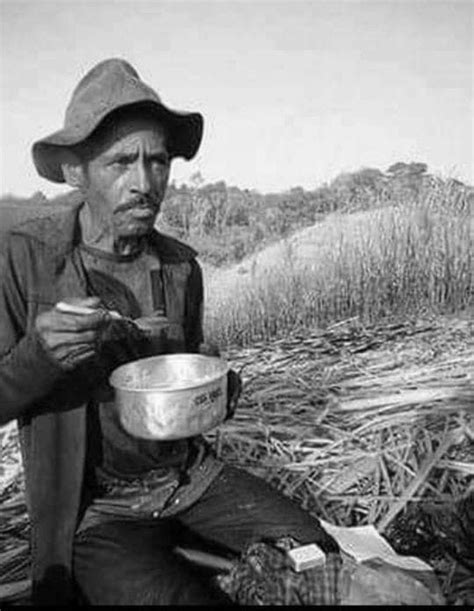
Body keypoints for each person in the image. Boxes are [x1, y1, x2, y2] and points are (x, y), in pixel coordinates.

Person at [0, 58, 340, 605]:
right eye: (121, 162)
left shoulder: (181, 267)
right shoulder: (25, 260)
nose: (143, 183)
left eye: (157, 161)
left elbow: (184, 384)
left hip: (188, 483)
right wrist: (40, 355)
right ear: (75, 172)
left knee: (317, 554)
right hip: (93, 513)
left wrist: (217, 389)